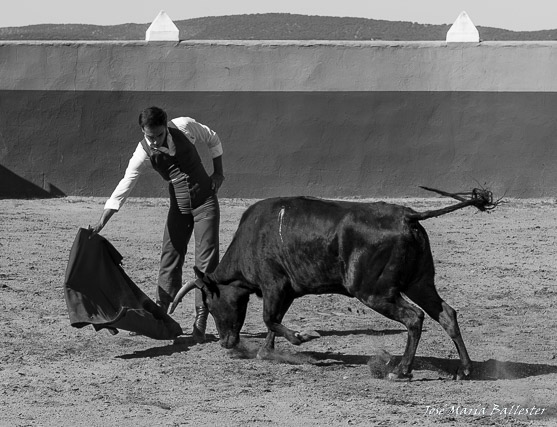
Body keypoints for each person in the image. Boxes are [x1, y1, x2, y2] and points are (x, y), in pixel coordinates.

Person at [91, 106, 225, 343]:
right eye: (148, 136)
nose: (153, 142)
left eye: (158, 135)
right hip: (179, 209)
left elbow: (212, 137)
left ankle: (201, 320)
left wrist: (219, 173)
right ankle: (159, 315)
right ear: (143, 131)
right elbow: (125, 185)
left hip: (205, 203)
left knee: (206, 263)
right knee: (169, 256)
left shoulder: (184, 126)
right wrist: (102, 220)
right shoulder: (143, 153)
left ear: (166, 127)